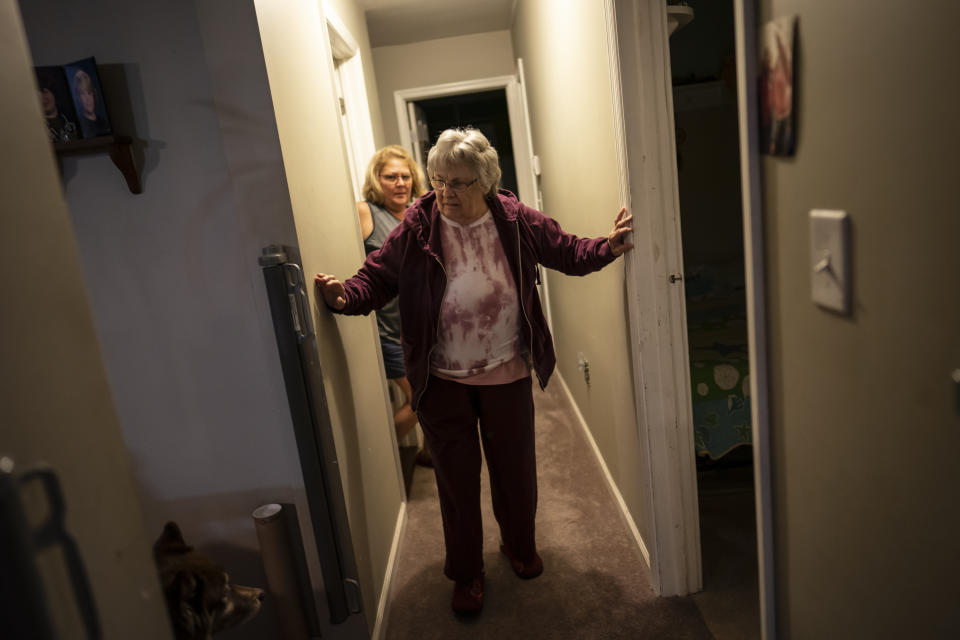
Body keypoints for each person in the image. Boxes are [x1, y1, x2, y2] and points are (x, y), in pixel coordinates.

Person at [315, 128, 633, 615]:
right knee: (456, 484)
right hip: (441, 380)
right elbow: (377, 276)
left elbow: (565, 250)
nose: (445, 192)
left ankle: (519, 546)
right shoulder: (419, 224)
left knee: (516, 473)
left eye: (459, 183)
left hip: (506, 372)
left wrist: (607, 247)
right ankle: (466, 572)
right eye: (439, 180)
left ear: (484, 181)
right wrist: (344, 296)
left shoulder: (514, 219)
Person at [357, 145, 430, 465]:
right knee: (420, 398)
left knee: (435, 389)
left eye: (405, 176)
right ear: (377, 180)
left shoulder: (421, 212)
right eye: (391, 177)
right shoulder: (366, 213)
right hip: (389, 330)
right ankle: (379, 465)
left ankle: (430, 452)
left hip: (426, 326)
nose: (400, 183)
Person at [72, 69, 110, 138]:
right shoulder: (80, 125)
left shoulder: (104, 122)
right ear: (78, 97)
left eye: (89, 93)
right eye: (83, 94)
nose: (88, 99)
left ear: (93, 94)